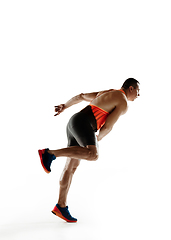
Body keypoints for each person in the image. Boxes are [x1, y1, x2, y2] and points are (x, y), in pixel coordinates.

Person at [38, 78, 140, 223]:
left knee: (71, 167)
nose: (138, 95)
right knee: (93, 154)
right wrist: (98, 138)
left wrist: (64, 106)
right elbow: (108, 126)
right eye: (138, 91)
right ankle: (50, 153)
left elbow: (81, 96)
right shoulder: (122, 101)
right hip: (84, 124)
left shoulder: (108, 92)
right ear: (131, 88)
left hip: (74, 122)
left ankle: (61, 206)